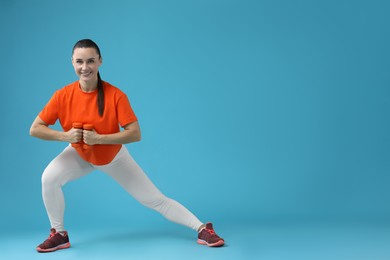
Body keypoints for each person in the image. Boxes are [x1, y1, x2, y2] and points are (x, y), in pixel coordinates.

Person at [30, 39, 224, 253]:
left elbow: (135, 134)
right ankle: (58, 234)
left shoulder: (116, 95)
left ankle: (203, 229)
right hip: (80, 156)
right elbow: (35, 128)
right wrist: (65, 136)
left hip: (113, 158)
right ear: (72, 63)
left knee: (155, 200)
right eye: (79, 61)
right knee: (48, 178)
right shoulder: (62, 95)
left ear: (100, 62)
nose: (85, 67)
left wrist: (100, 139)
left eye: (91, 61)